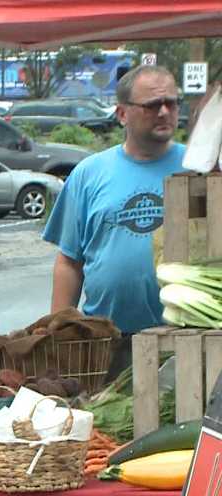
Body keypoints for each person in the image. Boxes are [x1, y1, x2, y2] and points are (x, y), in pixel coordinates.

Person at [44, 65, 186, 376]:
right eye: (151, 105)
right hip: (106, 342)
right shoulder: (89, 174)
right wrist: (58, 333)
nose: (164, 112)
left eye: (172, 103)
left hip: (187, 341)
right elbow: (69, 261)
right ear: (122, 114)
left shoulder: (201, 171)